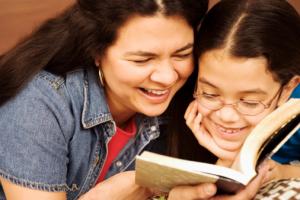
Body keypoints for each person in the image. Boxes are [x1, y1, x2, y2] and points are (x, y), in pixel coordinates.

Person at [0, 0, 210, 199]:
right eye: (142, 60)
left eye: (182, 55)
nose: (167, 77)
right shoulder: (38, 106)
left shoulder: (195, 96)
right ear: (96, 51)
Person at [167, 0, 300, 199]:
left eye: (250, 102)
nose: (227, 116)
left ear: (287, 89)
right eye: (210, 94)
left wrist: (281, 172)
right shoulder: (167, 102)